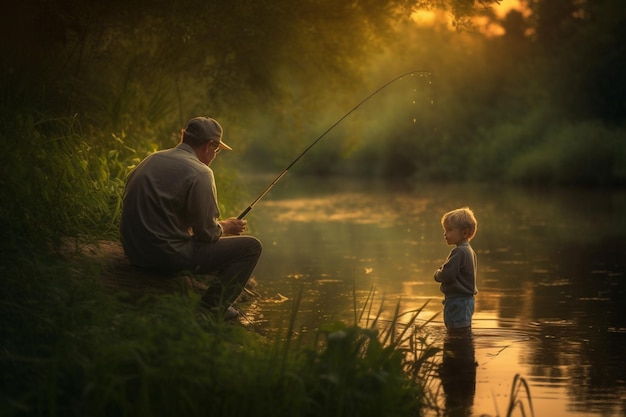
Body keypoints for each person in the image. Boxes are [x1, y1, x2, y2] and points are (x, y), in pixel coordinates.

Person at [120, 116, 262, 318]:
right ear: (209, 146)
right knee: (251, 247)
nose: (214, 155)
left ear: (183, 136)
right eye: (217, 150)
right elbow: (207, 234)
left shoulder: (151, 159)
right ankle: (211, 309)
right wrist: (226, 227)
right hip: (164, 257)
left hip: (133, 252)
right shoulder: (201, 172)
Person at [434, 207, 478, 331]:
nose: (445, 234)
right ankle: (464, 349)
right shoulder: (469, 250)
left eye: (449, 230)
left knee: (456, 331)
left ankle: (459, 350)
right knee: (462, 330)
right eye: (445, 230)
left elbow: (447, 274)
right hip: (465, 301)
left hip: (458, 301)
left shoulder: (459, 251)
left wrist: (437, 274)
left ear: (464, 233)